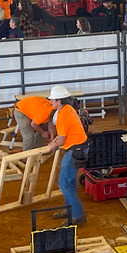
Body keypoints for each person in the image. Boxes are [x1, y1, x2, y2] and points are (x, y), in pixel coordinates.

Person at [37, 85, 88, 224]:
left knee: (64, 182)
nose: (51, 102)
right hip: (78, 147)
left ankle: (78, 216)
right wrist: (53, 143)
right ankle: (70, 209)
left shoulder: (63, 115)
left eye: (53, 100)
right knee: (69, 181)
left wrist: (51, 147)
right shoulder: (67, 109)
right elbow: (60, 136)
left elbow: (61, 139)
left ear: (59, 101)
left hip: (75, 150)